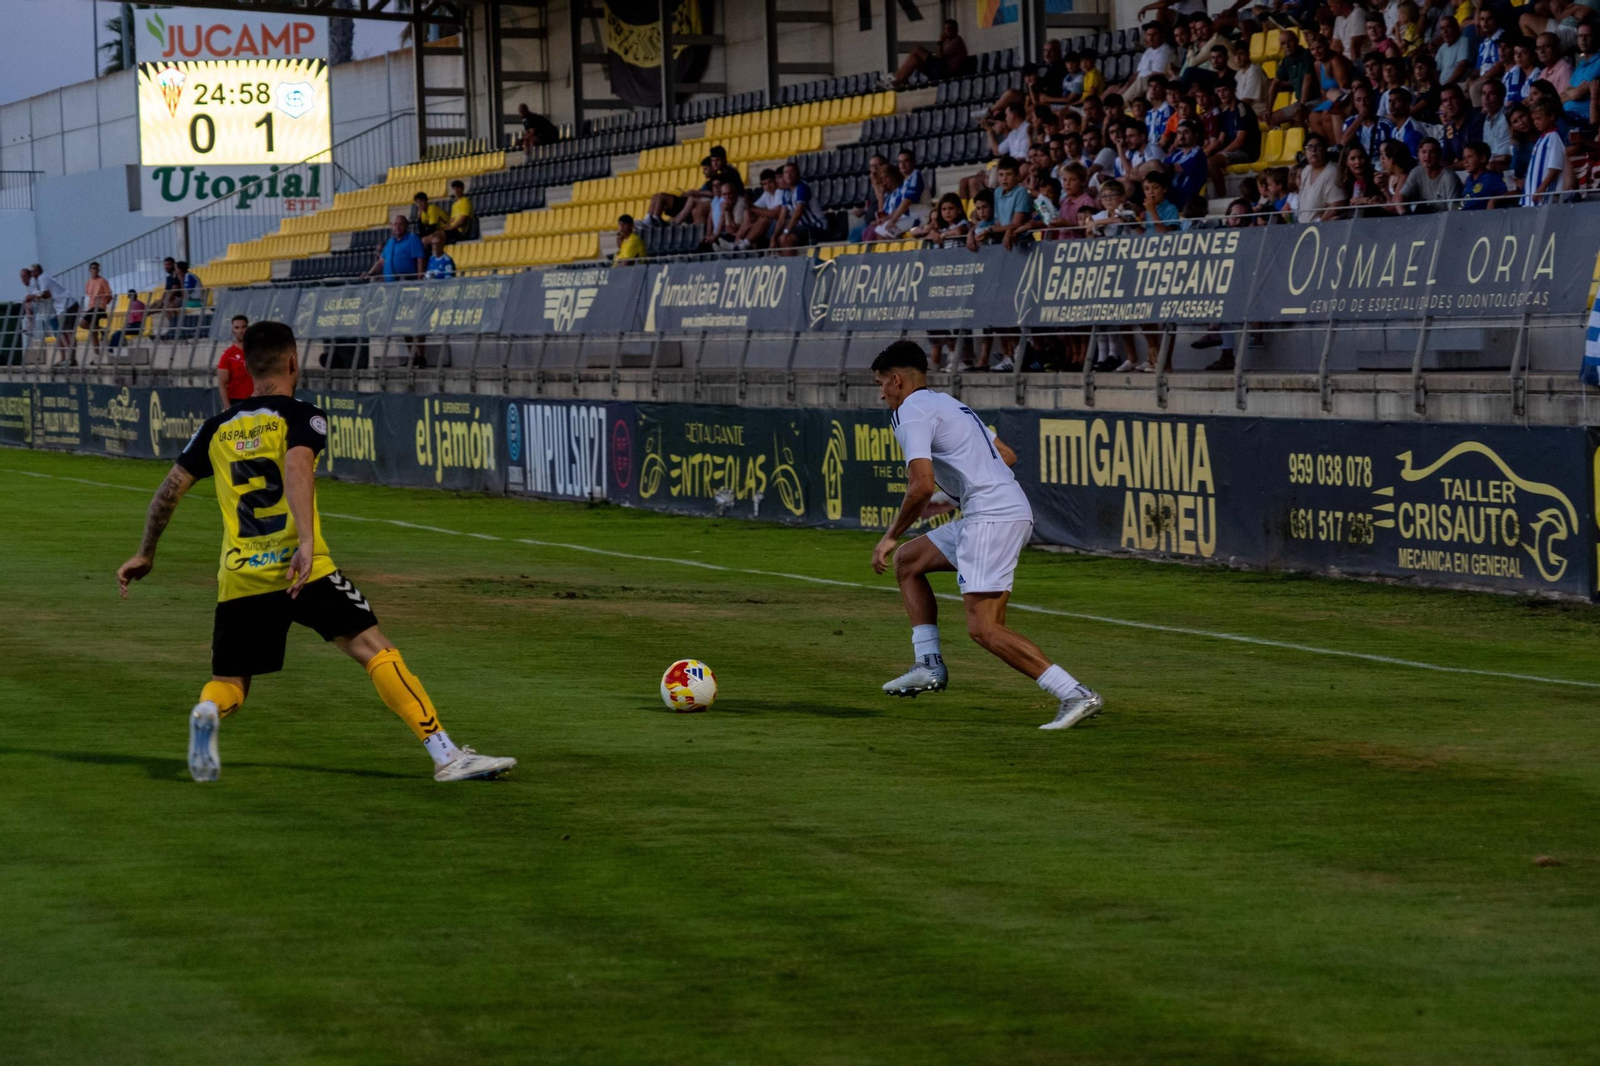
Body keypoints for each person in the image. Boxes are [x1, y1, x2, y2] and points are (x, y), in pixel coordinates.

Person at [115, 320, 517, 783]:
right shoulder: (302, 415)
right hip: (300, 567)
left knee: (231, 681)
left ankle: (208, 709)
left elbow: (168, 491)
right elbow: (297, 465)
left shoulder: (216, 428)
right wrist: (305, 542)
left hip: (241, 573)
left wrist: (145, 552)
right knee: (374, 649)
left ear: (244, 366)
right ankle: (446, 754)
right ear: (293, 362)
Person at [869, 341, 1102, 730]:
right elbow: (1006, 455)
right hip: (997, 509)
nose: (881, 393)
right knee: (909, 561)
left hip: (992, 517)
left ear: (896, 380)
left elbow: (919, 486)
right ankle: (928, 665)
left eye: (881, 384)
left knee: (985, 628)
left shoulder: (910, 411)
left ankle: (1075, 693)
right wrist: (956, 491)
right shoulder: (949, 403)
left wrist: (890, 534)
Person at [888, 18, 968, 89]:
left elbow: (940, 57)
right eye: (945, 29)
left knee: (918, 49)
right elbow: (937, 56)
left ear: (956, 29)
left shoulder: (957, 41)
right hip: (940, 69)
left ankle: (896, 78)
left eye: (950, 29)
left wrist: (940, 42)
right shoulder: (947, 42)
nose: (947, 31)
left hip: (946, 72)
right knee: (915, 59)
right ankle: (897, 80)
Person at [1524, 96, 1571, 204]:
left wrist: (1542, 188)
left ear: (1551, 116)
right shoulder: (1541, 138)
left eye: (1538, 119)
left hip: (1544, 196)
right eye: (1534, 119)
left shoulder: (1553, 137)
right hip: (1533, 193)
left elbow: (1554, 168)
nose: (1535, 123)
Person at [1399, 137, 1463, 210]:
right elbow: (1400, 197)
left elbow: (1454, 210)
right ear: (1418, 155)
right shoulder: (1416, 172)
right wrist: (1404, 214)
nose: (1427, 156)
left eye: (1432, 152)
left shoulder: (1449, 177)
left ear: (1439, 155)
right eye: (1424, 152)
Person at [774, 161, 827, 248]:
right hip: (803, 227)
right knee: (778, 239)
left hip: (816, 226)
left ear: (798, 174)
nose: (789, 175)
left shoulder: (802, 188)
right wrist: (773, 237)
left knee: (787, 239)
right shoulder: (786, 192)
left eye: (792, 172)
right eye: (786, 172)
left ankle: (789, 261)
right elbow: (781, 218)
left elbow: (798, 212)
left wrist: (786, 231)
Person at [991, 156, 1036, 251]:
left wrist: (991, 230)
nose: (1004, 178)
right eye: (1001, 175)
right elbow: (999, 221)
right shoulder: (997, 192)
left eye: (1009, 174)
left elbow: (1017, 223)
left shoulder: (1021, 192)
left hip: (1021, 239)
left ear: (1018, 176)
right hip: (1004, 238)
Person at [366, 215, 426, 281]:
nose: (397, 227)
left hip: (407, 283)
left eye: (401, 224)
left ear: (406, 225)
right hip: (390, 285)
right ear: (391, 226)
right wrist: (369, 274)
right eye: (395, 224)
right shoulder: (389, 242)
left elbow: (420, 260)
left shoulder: (413, 239)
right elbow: (381, 262)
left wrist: (420, 280)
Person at [215, 314, 251, 410]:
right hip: (237, 401)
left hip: (256, 400)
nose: (241, 331)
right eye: (237, 328)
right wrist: (227, 406)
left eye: (243, 327)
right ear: (233, 331)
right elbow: (222, 382)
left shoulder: (256, 352)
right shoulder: (228, 355)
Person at [1459, 141, 1509, 207]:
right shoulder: (1468, 179)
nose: (1465, 162)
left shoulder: (1492, 178)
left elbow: (1515, 191)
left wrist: (1493, 200)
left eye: (1469, 157)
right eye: (1464, 158)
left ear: (1482, 158)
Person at [83, 261, 113, 353]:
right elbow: (89, 295)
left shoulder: (102, 281)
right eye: (93, 268)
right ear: (90, 270)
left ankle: (102, 329)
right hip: (91, 306)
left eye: (96, 268)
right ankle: (97, 354)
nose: (95, 270)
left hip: (99, 306)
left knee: (82, 323)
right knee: (93, 332)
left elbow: (109, 295)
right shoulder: (88, 282)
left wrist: (103, 306)